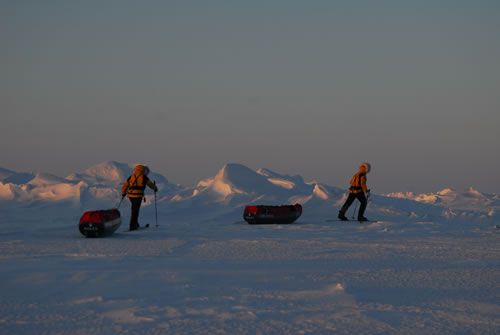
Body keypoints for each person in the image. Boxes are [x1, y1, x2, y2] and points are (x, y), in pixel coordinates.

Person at [121, 164, 158, 230]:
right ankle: (132, 226)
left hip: (131, 195)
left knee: (134, 209)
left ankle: (135, 224)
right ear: (143, 170)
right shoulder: (144, 177)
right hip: (138, 195)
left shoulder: (131, 176)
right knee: (135, 211)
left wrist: (123, 192)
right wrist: (155, 188)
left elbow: (125, 185)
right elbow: (150, 184)